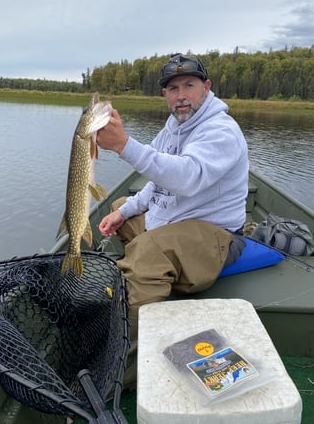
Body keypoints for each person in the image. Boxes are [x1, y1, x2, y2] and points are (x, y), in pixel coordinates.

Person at [96, 53, 249, 386]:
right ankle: (129, 273)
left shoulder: (221, 131)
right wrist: (123, 212)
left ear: (206, 88)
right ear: (164, 94)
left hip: (216, 234)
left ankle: (122, 369)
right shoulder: (172, 129)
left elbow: (186, 177)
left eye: (189, 85)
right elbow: (156, 184)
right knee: (120, 206)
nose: (181, 95)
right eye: (173, 88)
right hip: (175, 222)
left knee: (149, 249)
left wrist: (123, 144)